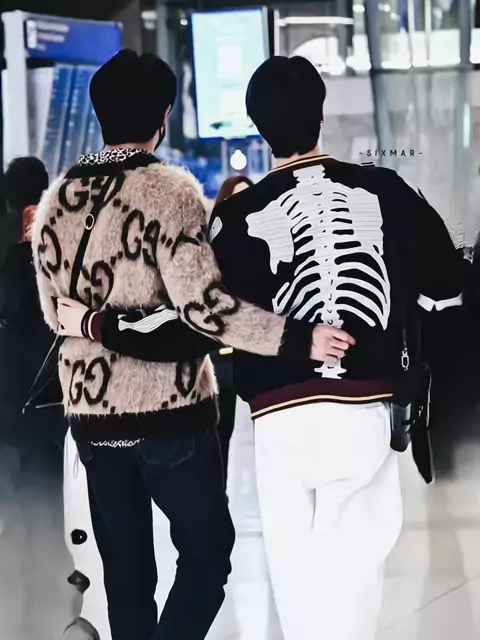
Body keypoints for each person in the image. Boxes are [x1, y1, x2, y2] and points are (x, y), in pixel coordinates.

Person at [57, 55, 467, 640]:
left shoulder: (235, 215)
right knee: (353, 581)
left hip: (278, 415)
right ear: (321, 113)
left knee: (294, 585)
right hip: (364, 404)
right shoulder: (385, 189)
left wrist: (100, 326)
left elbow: (199, 318)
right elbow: (448, 282)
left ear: (256, 125)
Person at [34, 50, 348, 640]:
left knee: (126, 576)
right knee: (207, 553)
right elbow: (207, 311)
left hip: (91, 417)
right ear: (164, 116)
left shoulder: (55, 203)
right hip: (168, 414)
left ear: (100, 115)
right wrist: (295, 337)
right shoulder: (171, 192)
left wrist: (97, 324)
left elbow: (57, 314)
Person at [0, 157, 68, 637]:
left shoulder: (15, 249)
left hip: (13, 400)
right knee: (45, 500)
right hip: (46, 397)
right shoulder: (58, 241)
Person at [211, 175, 254, 484]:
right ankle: (217, 496)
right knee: (220, 431)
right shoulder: (209, 247)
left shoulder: (268, 245)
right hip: (222, 353)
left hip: (260, 351)